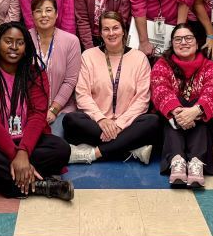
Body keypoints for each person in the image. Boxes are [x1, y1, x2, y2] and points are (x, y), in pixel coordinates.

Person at [0, 22, 74, 201]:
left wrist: (23, 153)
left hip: (29, 141)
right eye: (8, 41)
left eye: (20, 43)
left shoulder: (35, 74)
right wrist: (16, 156)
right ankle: (40, 186)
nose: (14, 47)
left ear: (26, 47)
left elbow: (38, 116)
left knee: (61, 149)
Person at [63, 11, 160, 164]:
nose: (111, 33)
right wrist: (101, 119)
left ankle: (93, 153)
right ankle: (131, 148)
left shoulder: (139, 58)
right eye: (106, 29)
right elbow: (82, 94)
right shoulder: (88, 56)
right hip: (97, 123)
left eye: (115, 28)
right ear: (100, 33)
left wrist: (120, 124)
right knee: (71, 120)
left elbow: (142, 99)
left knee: (152, 121)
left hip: (128, 124)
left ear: (123, 30)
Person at [151, 25, 213, 187]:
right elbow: (159, 90)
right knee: (176, 108)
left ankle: (196, 162)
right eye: (178, 39)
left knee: (200, 113)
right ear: (172, 44)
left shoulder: (211, 67)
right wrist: (180, 113)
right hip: (171, 122)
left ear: (197, 43)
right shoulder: (162, 64)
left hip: (202, 122)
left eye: (188, 38)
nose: (183, 42)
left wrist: (195, 111)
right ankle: (178, 160)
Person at [28, 0, 81, 137]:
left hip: (61, 110)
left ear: (57, 14)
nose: (43, 15)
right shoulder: (24, 39)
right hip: (29, 110)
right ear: (32, 16)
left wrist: (53, 110)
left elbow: (70, 81)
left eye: (48, 10)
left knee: (53, 140)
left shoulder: (71, 41)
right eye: (38, 11)